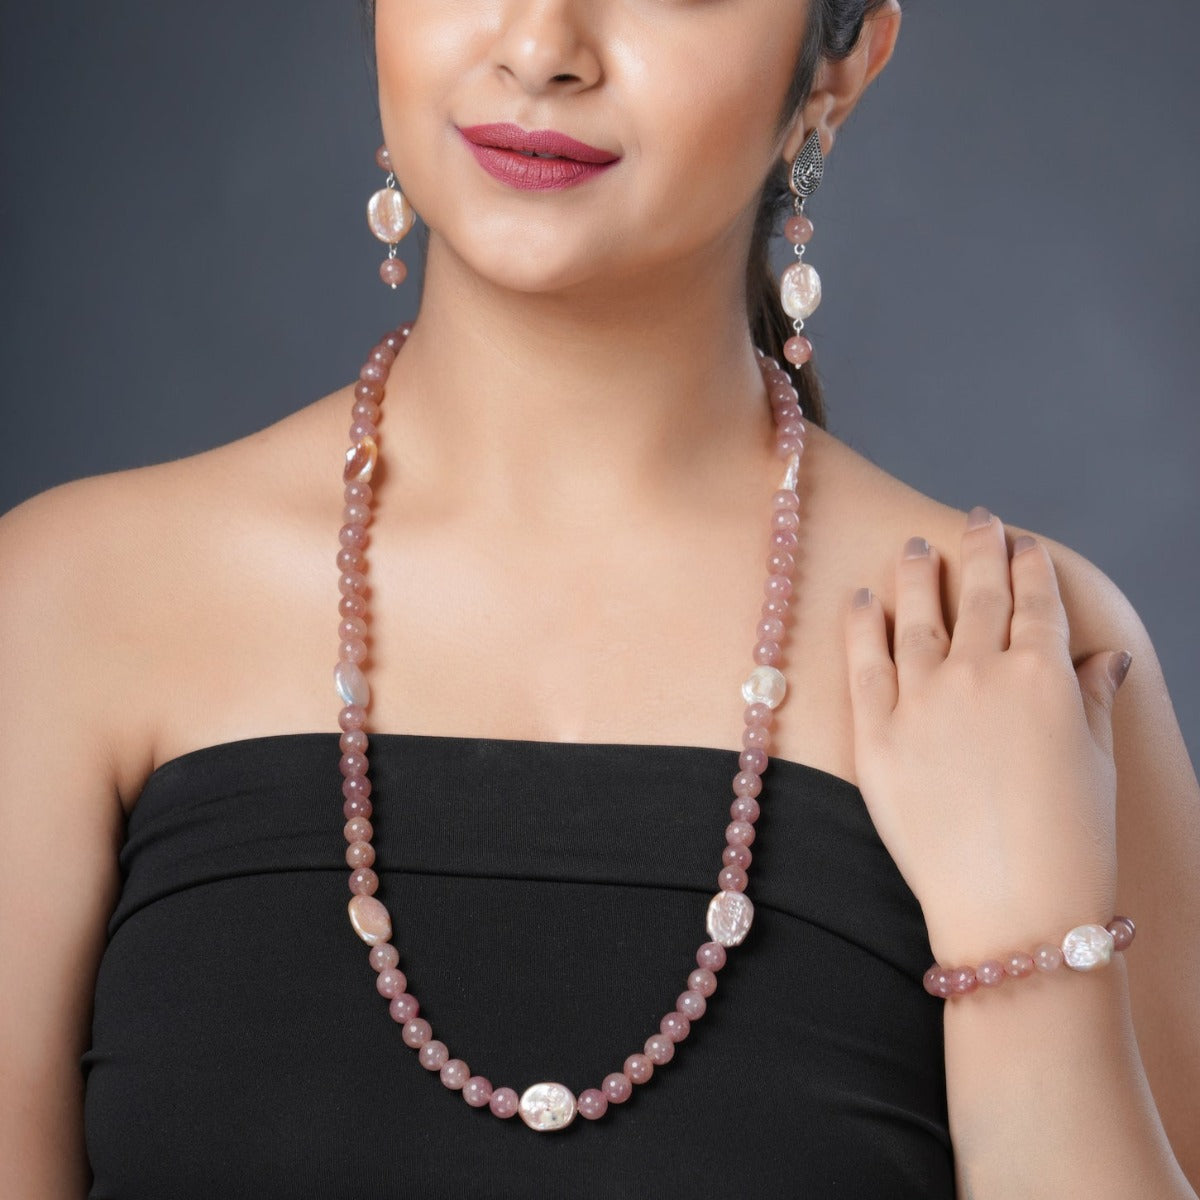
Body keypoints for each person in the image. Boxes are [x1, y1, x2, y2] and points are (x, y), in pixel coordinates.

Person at [1, 0, 1197, 1195]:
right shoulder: (70, 608)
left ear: (838, 65)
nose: (539, 47)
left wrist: (1030, 963)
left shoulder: (1014, 648)